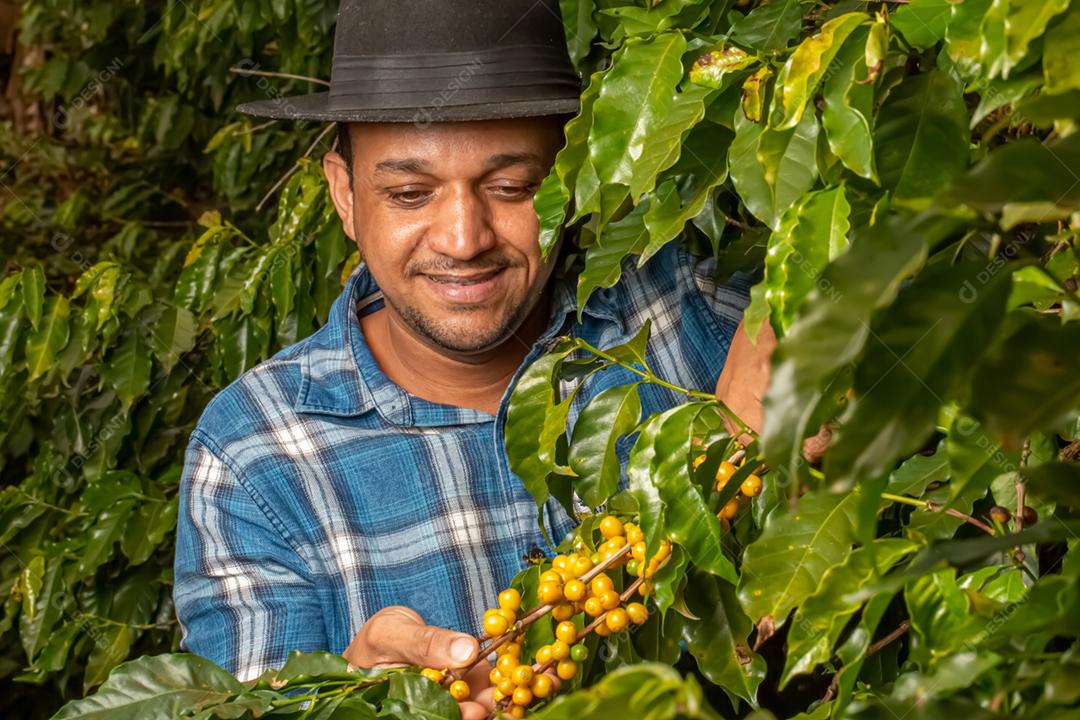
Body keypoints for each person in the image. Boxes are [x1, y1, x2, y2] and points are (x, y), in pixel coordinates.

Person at [173, 1, 787, 717]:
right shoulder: (254, 457)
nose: (464, 240)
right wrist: (344, 696)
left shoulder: (695, 308)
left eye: (512, 188)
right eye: (409, 193)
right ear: (344, 194)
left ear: (571, 180)